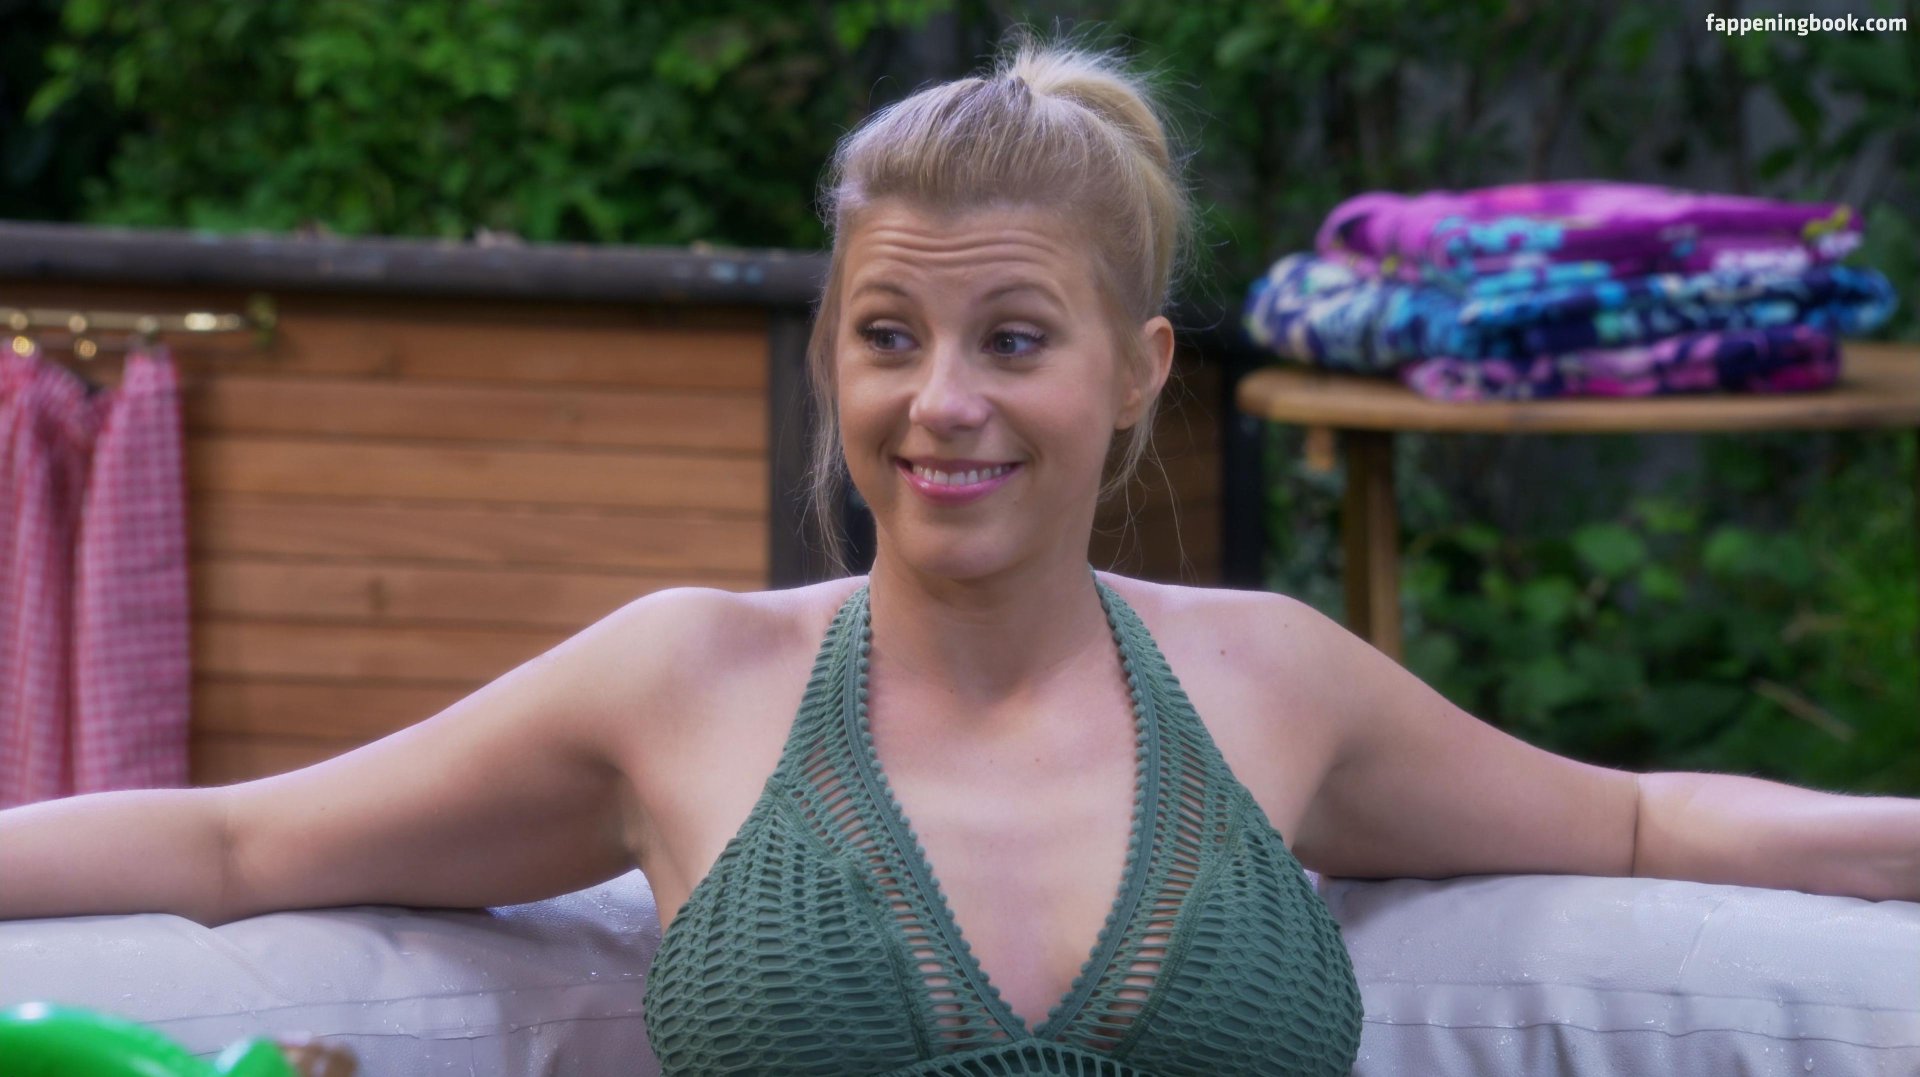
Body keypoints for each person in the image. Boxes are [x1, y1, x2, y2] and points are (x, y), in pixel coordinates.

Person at [3, 32, 1917, 1077]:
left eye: (1012, 337)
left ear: (1135, 370)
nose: (941, 402)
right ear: (830, 357)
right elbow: (243, 843)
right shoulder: (685, 683)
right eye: (887, 335)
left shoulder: (1268, 680)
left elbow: (1639, 818)